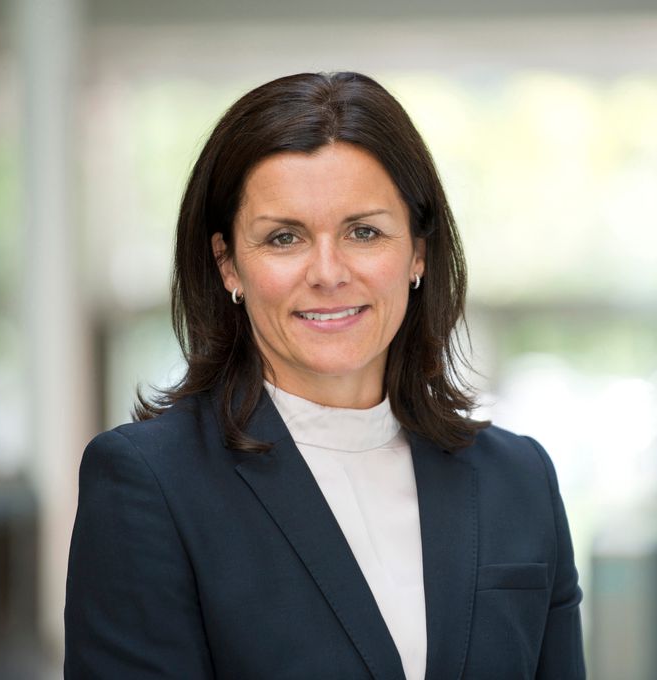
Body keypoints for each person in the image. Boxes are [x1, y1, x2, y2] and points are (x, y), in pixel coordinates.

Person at [64, 71, 585, 680]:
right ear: (228, 264)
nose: (329, 273)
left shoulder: (519, 481)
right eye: (284, 238)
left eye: (364, 232)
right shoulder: (150, 485)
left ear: (418, 252)